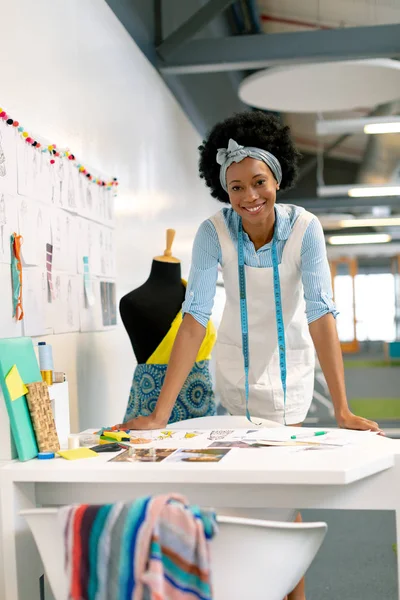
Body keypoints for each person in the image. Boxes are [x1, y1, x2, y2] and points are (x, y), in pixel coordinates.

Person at [115, 110, 381, 436]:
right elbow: (194, 319)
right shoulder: (213, 232)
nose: (250, 197)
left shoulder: (305, 229)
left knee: (282, 451)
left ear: (277, 180)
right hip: (234, 362)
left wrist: (343, 411)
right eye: (236, 187)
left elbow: (321, 315)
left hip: (290, 363)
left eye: (259, 182)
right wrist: (159, 416)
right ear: (225, 190)